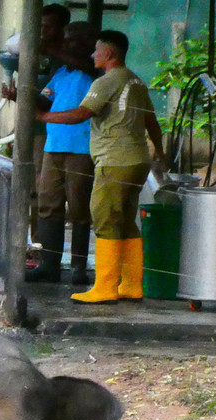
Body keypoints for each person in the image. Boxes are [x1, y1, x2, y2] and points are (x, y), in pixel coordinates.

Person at [37, 30, 165, 304]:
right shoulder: (136, 81)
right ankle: (131, 284)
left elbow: (82, 113)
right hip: (138, 161)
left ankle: (105, 286)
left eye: (96, 50)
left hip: (115, 161)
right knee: (127, 221)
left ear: (109, 53)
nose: (92, 55)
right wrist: (161, 152)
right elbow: (152, 122)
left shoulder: (107, 82)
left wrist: (43, 116)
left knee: (105, 219)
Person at [26, 21, 100, 285]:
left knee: (79, 208)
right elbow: (46, 100)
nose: (68, 45)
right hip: (53, 146)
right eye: (67, 40)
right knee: (48, 205)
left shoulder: (95, 72)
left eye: (74, 41)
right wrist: (22, 95)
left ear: (91, 44)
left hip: (81, 147)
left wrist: (51, 48)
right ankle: (49, 264)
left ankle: (78, 266)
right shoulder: (63, 73)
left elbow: (85, 64)